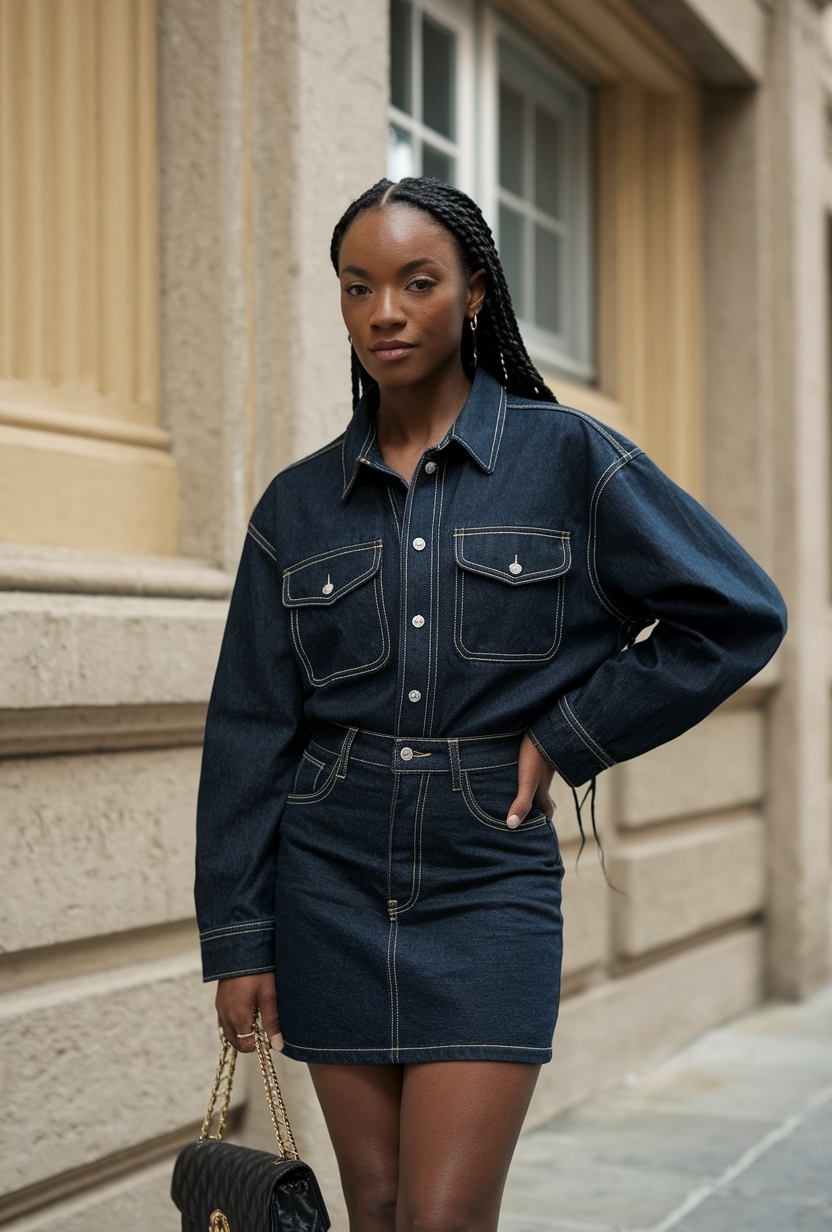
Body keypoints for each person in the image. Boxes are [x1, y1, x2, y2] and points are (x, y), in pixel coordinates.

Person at [195, 176, 786, 1232]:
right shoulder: (296, 504)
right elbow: (250, 728)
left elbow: (737, 614)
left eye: (417, 283)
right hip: (327, 874)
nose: (384, 311)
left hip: (486, 875)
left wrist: (568, 735)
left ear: (473, 294)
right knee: (376, 1207)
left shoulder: (570, 460)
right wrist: (240, 939)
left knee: (445, 1215)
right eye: (359, 287)